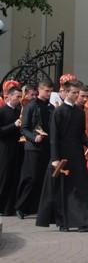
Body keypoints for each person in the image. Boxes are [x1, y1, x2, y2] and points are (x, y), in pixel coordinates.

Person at [36, 81, 88, 231]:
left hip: (77, 155)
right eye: (74, 93)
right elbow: (53, 137)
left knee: (80, 188)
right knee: (63, 190)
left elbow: (80, 134)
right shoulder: (58, 112)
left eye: (78, 93)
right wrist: (55, 159)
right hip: (62, 156)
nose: (76, 95)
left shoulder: (79, 112)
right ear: (66, 92)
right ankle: (63, 223)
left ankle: (83, 222)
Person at [16, 79, 55, 218]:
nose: (49, 94)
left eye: (51, 91)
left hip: (47, 148)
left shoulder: (51, 107)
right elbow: (24, 128)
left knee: (43, 178)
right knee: (31, 178)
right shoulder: (31, 106)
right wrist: (34, 137)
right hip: (33, 148)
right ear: (39, 90)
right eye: (46, 91)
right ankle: (20, 206)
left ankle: (36, 207)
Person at [0, 85, 24, 216]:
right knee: (4, 177)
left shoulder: (19, 111)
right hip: (5, 149)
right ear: (9, 96)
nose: (19, 99)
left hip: (17, 148)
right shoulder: (2, 111)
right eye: (17, 96)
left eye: (21, 97)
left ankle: (9, 208)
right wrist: (13, 125)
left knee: (15, 177)